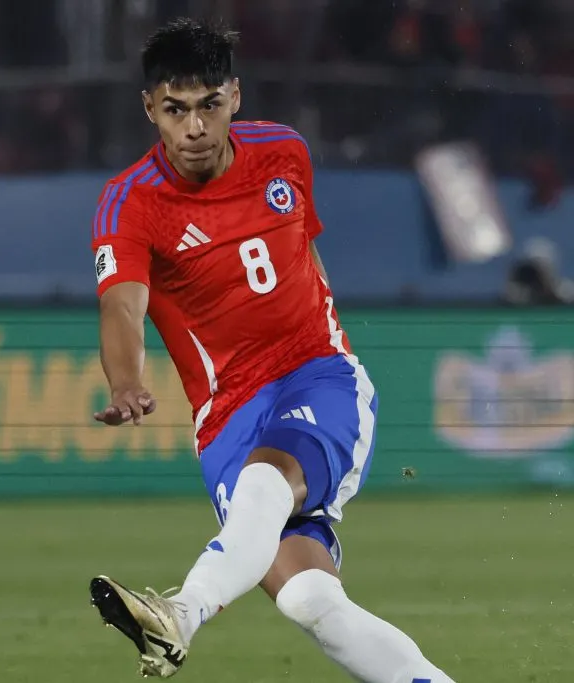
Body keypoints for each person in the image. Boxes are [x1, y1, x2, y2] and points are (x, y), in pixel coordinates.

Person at [87, 18, 456, 682]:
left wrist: (325, 336)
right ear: (149, 108)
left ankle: (179, 613)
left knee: (267, 478)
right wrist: (125, 381)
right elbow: (121, 305)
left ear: (235, 95)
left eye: (209, 105)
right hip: (226, 418)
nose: (194, 127)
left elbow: (304, 253)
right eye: (175, 109)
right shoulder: (130, 203)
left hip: (317, 375)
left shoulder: (284, 151)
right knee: (311, 602)